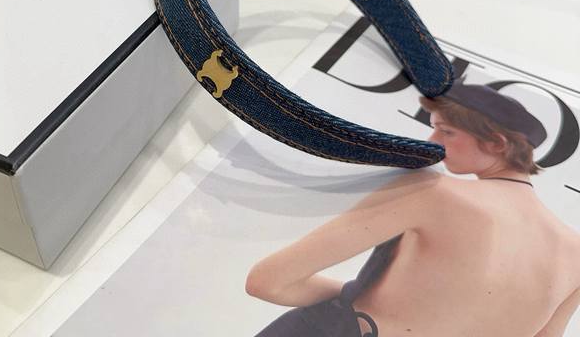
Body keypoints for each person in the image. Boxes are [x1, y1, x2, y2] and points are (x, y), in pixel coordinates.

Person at [246, 80, 580, 337]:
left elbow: (268, 280)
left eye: (446, 131)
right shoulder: (575, 254)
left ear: (497, 143)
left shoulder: (434, 192)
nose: (433, 141)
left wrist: (354, 295)